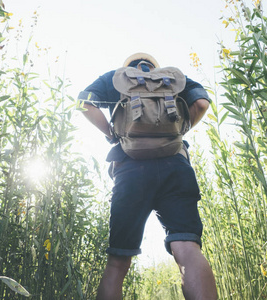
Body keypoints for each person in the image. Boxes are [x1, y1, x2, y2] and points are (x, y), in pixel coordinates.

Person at [78, 53, 218, 300]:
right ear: (155, 67)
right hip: (175, 165)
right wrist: (179, 131)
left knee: (118, 260)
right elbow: (202, 104)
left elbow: (84, 103)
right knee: (187, 248)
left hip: (130, 167)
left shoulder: (115, 78)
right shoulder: (175, 79)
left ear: (128, 67)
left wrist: (111, 133)